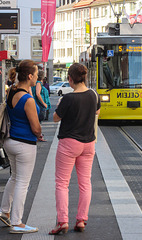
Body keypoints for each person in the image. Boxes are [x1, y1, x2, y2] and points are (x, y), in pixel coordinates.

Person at [49, 63, 101, 235]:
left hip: (69, 144)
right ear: (84, 77)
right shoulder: (94, 95)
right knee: (85, 183)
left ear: (70, 79)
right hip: (88, 144)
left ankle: (63, 221)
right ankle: (81, 219)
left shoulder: (68, 99)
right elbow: (97, 113)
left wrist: (59, 106)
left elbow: (56, 119)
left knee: (62, 183)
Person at [0, 60, 41, 234]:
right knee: (23, 183)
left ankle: (4, 211)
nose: (38, 77)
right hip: (25, 144)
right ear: (30, 76)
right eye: (37, 74)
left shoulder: (12, 91)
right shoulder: (28, 99)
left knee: (15, 178)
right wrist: (39, 133)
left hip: (10, 141)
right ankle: (17, 222)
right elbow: (36, 127)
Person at [31, 70, 51, 141]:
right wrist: (44, 103)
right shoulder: (38, 83)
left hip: (35, 103)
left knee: (37, 121)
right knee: (39, 121)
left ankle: (38, 135)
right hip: (39, 104)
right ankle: (39, 136)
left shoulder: (34, 83)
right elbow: (38, 94)